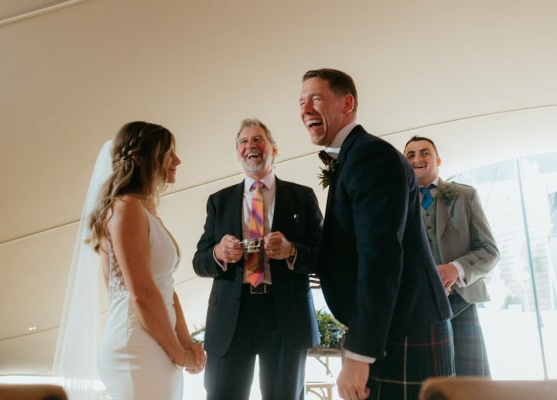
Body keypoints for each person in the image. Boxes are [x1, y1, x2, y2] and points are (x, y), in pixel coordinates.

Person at [299, 69, 455, 400]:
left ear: (347, 103)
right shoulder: (356, 155)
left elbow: (381, 256)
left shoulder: (370, 156)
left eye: (315, 99)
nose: (305, 109)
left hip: (403, 328)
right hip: (392, 326)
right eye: (300, 102)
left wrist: (359, 353)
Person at [193, 118, 323, 400]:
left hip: (284, 316)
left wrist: (292, 251)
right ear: (237, 152)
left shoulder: (302, 197)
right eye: (243, 141)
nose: (250, 146)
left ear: (274, 150)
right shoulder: (219, 201)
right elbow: (199, 261)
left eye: (258, 140)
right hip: (232, 315)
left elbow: (325, 258)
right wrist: (218, 253)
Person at [81, 121, 205, 400]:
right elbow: (142, 294)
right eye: (168, 152)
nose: (177, 160)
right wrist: (180, 355)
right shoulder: (126, 209)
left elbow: (164, 287)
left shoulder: (144, 208)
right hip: (136, 344)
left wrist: (186, 343)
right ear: (141, 158)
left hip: (157, 343)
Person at [404, 135, 499, 377]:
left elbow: (490, 251)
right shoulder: (396, 203)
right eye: (410, 154)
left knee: (471, 383)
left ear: (438, 159)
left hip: (461, 303)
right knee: (428, 381)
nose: (417, 158)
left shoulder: (465, 196)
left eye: (424, 152)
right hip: (416, 308)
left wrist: (456, 268)